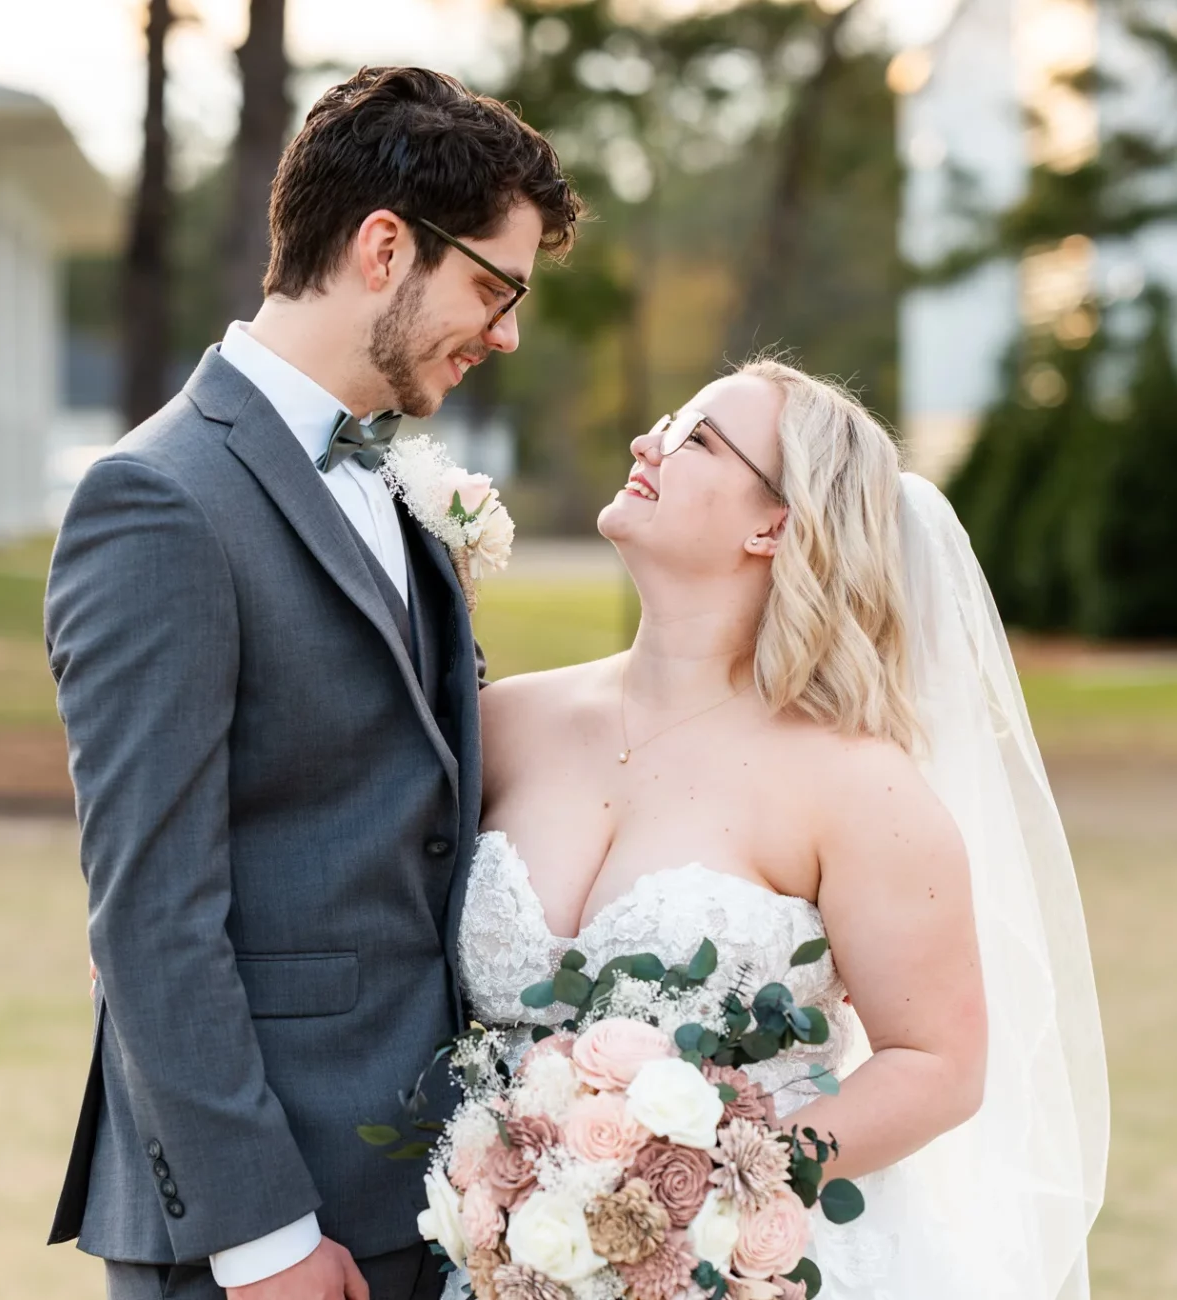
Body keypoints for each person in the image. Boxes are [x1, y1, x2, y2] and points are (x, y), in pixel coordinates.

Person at [45, 66, 581, 1300]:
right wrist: (263, 1237)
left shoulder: (396, 484)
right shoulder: (159, 502)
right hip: (269, 1223)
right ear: (385, 246)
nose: (505, 333)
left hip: (435, 1186)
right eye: (493, 288)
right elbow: (148, 909)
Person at [462, 359, 1108, 1298]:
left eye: (698, 440)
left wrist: (708, 1182)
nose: (649, 442)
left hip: (740, 1269)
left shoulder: (857, 786)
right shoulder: (505, 725)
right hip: (498, 1260)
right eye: (666, 420)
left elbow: (940, 1064)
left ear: (775, 523)